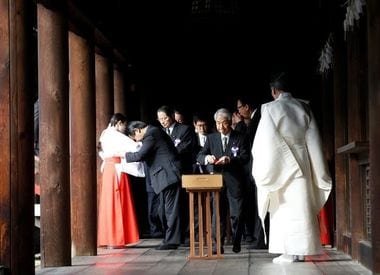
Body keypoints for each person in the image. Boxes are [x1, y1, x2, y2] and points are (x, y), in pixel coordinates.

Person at [251, 72, 332, 263]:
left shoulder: (270, 108)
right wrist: (319, 170)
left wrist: (270, 168)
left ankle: (288, 252)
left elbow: (265, 142)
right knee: (302, 207)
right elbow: (314, 141)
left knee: (285, 209)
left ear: (274, 91)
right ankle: (301, 251)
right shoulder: (304, 107)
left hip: (280, 165)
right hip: (303, 161)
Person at [196, 108, 250, 254]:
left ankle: (237, 241)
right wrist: (207, 159)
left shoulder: (241, 137)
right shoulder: (211, 138)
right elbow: (200, 155)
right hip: (217, 181)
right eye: (217, 123)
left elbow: (245, 157)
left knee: (237, 214)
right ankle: (216, 246)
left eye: (223, 123)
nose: (220, 127)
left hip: (235, 181)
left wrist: (230, 159)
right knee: (217, 215)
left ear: (230, 122)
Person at [125, 121, 182, 250]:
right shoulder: (154, 132)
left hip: (168, 176)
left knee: (170, 211)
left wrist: (123, 155)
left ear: (138, 130)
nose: (136, 141)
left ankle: (172, 241)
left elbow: (140, 155)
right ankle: (169, 238)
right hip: (164, 177)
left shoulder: (151, 134)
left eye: (134, 138)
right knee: (163, 210)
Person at [97, 113, 145, 248]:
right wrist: (140, 142)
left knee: (109, 202)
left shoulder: (104, 133)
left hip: (108, 168)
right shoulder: (115, 135)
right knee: (117, 201)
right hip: (117, 169)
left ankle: (109, 237)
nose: (124, 128)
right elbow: (135, 147)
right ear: (118, 122)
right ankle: (116, 238)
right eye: (124, 125)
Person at [235, 95, 268, 249]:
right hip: (257, 169)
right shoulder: (255, 118)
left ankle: (262, 239)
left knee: (261, 204)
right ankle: (258, 238)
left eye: (239, 108)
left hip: (261, 167)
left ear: (246, 107)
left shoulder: (259, 117)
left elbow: (248, 140)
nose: (239, 112)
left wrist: (240, 124)